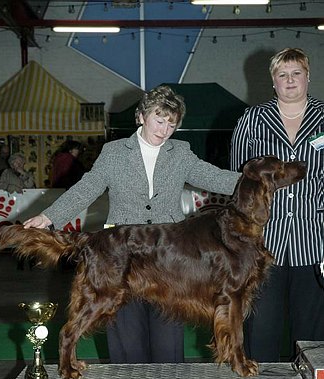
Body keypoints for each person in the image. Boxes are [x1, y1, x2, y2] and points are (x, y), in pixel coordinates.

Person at [23, 84, 240, 364]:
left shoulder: (181, 152)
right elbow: (87, 188)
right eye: (159, 121)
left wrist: (258, 179)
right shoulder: (114, 153)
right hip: (121, 256)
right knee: (126, 338)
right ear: (141, 116)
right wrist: (49, 217)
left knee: (167, 341)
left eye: (171, 125)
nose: (164, 131)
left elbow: (214, 176)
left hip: (168, 257)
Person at [230, 48, 324, 362]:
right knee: (261, 331)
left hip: (315, 242)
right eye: (282, 75)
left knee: (311, 336)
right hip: (262, 243)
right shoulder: (252, 119)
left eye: (296, 73)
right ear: (273, 81)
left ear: (308, 77)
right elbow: (238, 180)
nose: (290, 80)